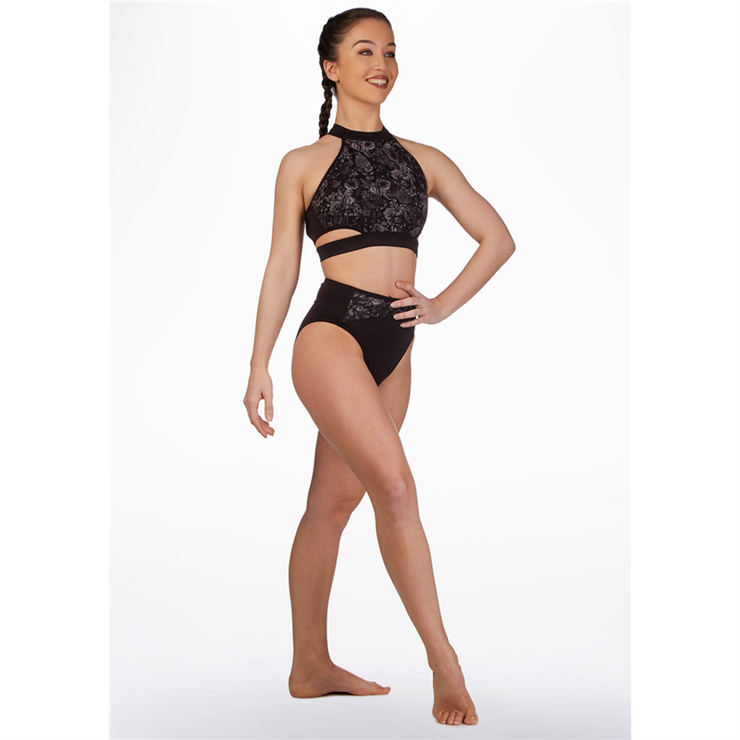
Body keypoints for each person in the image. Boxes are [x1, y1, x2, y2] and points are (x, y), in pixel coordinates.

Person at [244, 7, 515, 727]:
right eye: (365, 51)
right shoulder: (302, 163)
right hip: (331, 333)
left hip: (394, 347)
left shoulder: (424, 159)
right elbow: (281, 267)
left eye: (391, 51)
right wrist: (259, 364)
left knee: (332, 505)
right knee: (395, 487)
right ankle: (444, 662)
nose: (382, 63)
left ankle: (310, 666)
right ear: (331, 68)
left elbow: (497, 238)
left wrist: (440, 306)